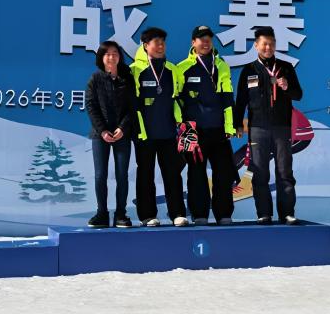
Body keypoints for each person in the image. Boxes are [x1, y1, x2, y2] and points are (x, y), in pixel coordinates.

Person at [233, 26, 303, 225]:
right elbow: (241, 100)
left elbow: (298, 94)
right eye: (264, 44)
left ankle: (287, 213)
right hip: (257, 129)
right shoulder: (249, 70)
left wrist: (287, 86)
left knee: (284, 172)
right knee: (260, 172)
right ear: (256, 46)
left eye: (272, 44)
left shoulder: (286, 67)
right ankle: (264, 213)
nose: (268, 47)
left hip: (281, 127)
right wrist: (238, 124)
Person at [176, 25, 236, 225]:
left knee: (223, 173)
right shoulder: (182, 67)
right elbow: (176, 100)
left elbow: (228, 98)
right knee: (195, 174)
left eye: (208, 38)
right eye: (201, 39)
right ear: (193, 42)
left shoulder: (222, 65)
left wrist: (230, 126)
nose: (206, 42)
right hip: (192, 130)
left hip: (218, 129)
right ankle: (199, 214)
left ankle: (224, 214)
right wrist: (182, 126)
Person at [130, 27, 189, 227]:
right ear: (146, 46)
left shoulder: (172, 69)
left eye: (163, 42)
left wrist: (181, 123)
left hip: (168, 132)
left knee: (173, 174)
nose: (161, 46)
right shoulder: (134, 70)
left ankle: (177, 213)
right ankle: (147, 215)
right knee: (145, 174)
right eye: (156, 42)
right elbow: (132, 103)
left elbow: (179, 99)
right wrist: (137, 129)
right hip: (144, 133)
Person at [85, 40, 137, 228]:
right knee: (100, 175)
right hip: (101, 135)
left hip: (122, 134)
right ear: (101, 57)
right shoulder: (95, 79)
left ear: (120, 57)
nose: (111, 57)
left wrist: (122, 128)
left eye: (115, 53)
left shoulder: (127, 78)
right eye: (107, 54)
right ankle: (102, 213)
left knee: (122, 175)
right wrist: (103, 130)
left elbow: (132, 107)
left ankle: (121, 214)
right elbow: (91, 106)